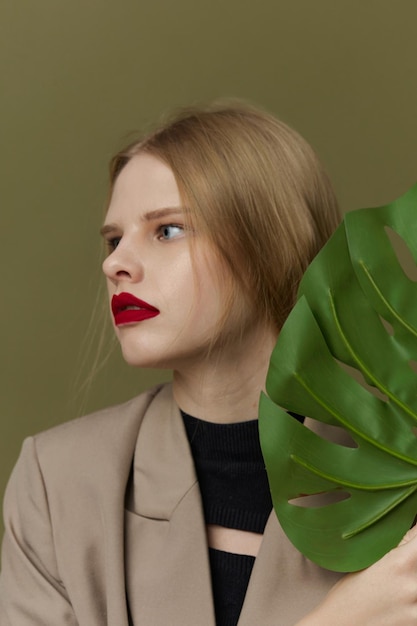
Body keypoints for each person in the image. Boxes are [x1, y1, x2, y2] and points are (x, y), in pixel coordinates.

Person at [1, 102, 417, 625]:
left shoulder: (404, 473)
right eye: (113, 239)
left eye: (167, 230)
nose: (114, 263)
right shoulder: (58, 483)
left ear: (271, 240)